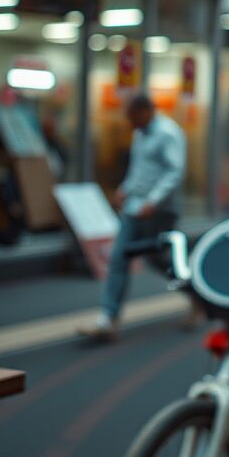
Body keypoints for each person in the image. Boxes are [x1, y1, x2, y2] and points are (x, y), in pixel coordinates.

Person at [78, 93, 186, 341]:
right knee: (120, 256)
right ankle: (109, 316)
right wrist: (125, 188)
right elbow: (139, 168)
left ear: (144, 111)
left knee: (159, 259)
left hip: (158, 210)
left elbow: (174, 172)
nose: (129, 123)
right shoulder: (140, 134)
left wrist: (153, 201)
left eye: (131, 117)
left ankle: (196, 292)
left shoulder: (168, 133)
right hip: (136, 207)